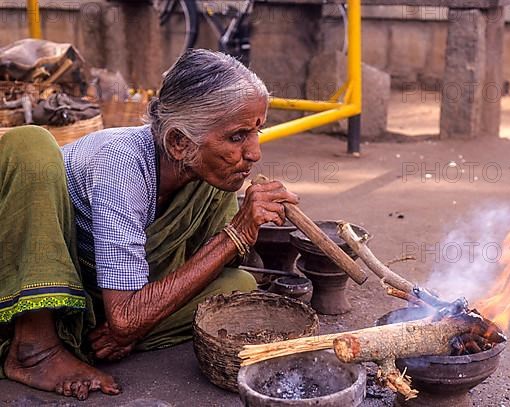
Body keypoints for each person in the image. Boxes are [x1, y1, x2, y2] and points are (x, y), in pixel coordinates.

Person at [0, 49, 298, 400]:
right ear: (178, 142)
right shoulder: (121, 163)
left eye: (256, 131)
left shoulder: (211, 173)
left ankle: (92, 339)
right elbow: (127, 316)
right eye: (237, 136)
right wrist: (236, 234)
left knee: (237, 286)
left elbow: (206, 263)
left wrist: (245, 227)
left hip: (102, 300)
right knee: (29, 144)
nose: (254, 152)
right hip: (33, 285)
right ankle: (35, 348)